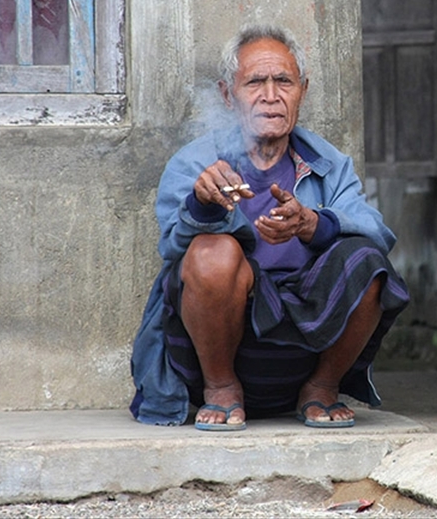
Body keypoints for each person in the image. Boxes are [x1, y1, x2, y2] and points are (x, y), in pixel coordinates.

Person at [130, 23, 409, 430]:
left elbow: (377, 232)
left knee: (367, 258)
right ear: (228, 95)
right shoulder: (195, 164)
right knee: (212, 254)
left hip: (304, 345)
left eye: (284, 81)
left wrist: (312, 223)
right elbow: (172, 250)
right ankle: (222, 390)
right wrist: (202, 204)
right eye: (255, 83)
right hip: (220, 349)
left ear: (303, 90)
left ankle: (322, 389)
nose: (271, 96)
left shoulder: (327, 162)